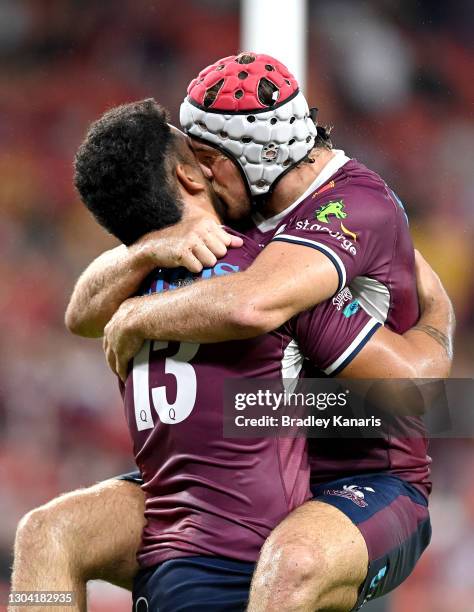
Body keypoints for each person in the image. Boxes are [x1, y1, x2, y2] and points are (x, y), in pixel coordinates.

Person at [11, 55, 453, 612]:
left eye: (206, 158)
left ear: (251, 158)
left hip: (365, 475)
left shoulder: (352, 207)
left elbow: (252, 305)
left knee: (292, 563)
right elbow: (80, 311)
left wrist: (440, 315)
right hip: (248, 468)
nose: (196, 172)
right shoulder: (237, 206)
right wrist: (147, 249)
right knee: (47, 534)